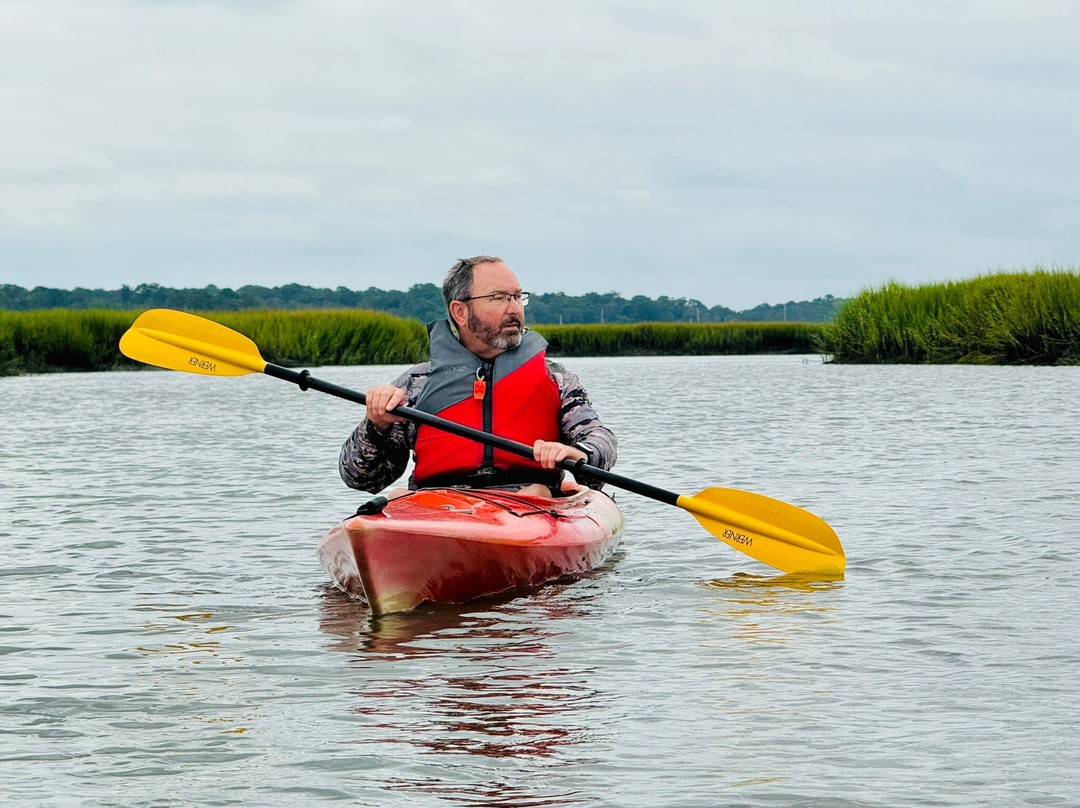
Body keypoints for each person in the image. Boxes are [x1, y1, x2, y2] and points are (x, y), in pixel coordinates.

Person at [340, 255, 617, 498]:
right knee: (398, 495)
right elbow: (362, 478)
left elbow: (598, 437)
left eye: (518, 297)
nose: (514, 309)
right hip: (436, 504)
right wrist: (375, 425)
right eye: (498, 298)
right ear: (460, 311)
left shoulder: (556, 378)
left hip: (531, 503)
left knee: (538, 491)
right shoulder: (416, 384)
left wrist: (580, 453)